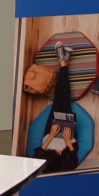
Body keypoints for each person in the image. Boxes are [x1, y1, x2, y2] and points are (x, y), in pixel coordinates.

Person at [34, 42, 79, 172]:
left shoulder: (40, 164)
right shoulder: (65, 166)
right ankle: (63, 62)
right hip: (68, 138)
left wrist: (51, 136)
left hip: (50, 134)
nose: (58, 151)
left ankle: (63, 62)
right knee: (65, 102)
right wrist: (68, 141)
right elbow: (74, 160)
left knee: (58, 101)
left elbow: (39, 153)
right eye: (58, 153)